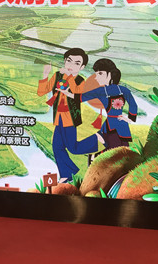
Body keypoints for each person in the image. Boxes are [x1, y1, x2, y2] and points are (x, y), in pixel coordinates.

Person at [37, 48, 97, 182]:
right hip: (58, 117)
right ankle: (66, 174)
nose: (71, 65)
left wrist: (69, 76)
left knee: (73, 148)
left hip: (70, 118)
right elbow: (42, 92)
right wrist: (45, 74)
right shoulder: (57, 76)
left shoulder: (81, 80)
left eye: (76, 63)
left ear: (82, 67)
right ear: (64, 61)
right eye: (69, 61)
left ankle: (96, 139)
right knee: (57, 147)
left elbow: (76, 92)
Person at [64, 58, 138, 149]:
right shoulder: (101, 91)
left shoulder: (122, 90)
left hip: (120, 126)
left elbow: (133, 104)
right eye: (96, 74)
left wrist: (130, 119)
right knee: (116, 150)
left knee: (121, 150)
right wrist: (68, 94)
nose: (96, 77)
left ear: (110, 74)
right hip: (112, 125)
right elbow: (81, 97)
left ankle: (93, 155)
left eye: (100, 73)